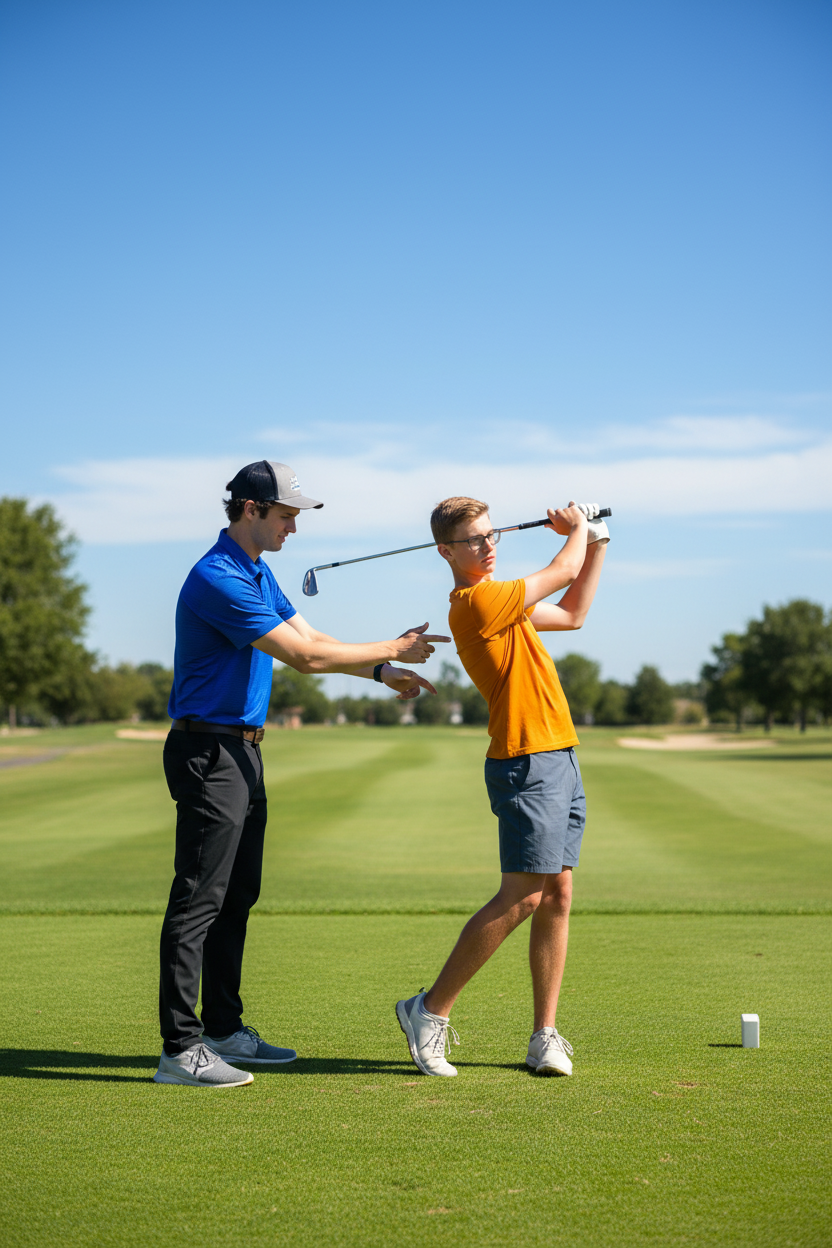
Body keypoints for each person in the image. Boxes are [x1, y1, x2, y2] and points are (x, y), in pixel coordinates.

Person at [154, 460, 449, 1087]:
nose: (295, 526)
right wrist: (393, 648)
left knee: (237, 895)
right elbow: (306, 658)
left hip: (242, 750)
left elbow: (309, 635)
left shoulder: (258, 572)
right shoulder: (217, 577)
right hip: (209, 750)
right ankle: (180, 1049)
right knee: (199, 897)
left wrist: (378, 672)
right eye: (287, 514)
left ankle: (223, 1030)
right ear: (251, 510)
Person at [395, 496, 608, 1078]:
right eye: (473, 540)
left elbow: (572, 613)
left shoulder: (506, 601)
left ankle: (545, 1034)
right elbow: (561, 570)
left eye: (492, 536)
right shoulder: (480, 601)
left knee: (558, 894)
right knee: (523, 895)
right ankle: (428, 1011)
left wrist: (598, 543)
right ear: (445, 551)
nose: (488, 546)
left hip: (559, 752)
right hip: (524, 760)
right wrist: (577, 531)